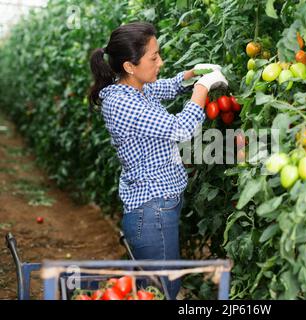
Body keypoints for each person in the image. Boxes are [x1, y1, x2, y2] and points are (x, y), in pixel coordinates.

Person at [88, 22, 228, 300]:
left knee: (156, 288)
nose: (160, 62)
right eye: (154, 58)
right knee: (163, 290)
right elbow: (180, 129)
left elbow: (166, 86)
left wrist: (190, 75)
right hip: (151, 212)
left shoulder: (137, 88)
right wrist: (202, 88)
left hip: (157, 208)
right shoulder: (123, 103)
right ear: (129, 66)